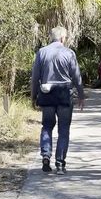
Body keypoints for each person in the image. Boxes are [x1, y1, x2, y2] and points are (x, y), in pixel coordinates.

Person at [31, 26, 85, 176]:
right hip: (64, 94)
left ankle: (46, 156)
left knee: (47, 126)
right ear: (62, 38)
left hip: (47, 94)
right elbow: (76, 77)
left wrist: (33, 96)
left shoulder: (42, 52)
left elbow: (35, 77)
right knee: (63, 129)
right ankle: (60, 164)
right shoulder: (69, 53)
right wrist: (81, 95)